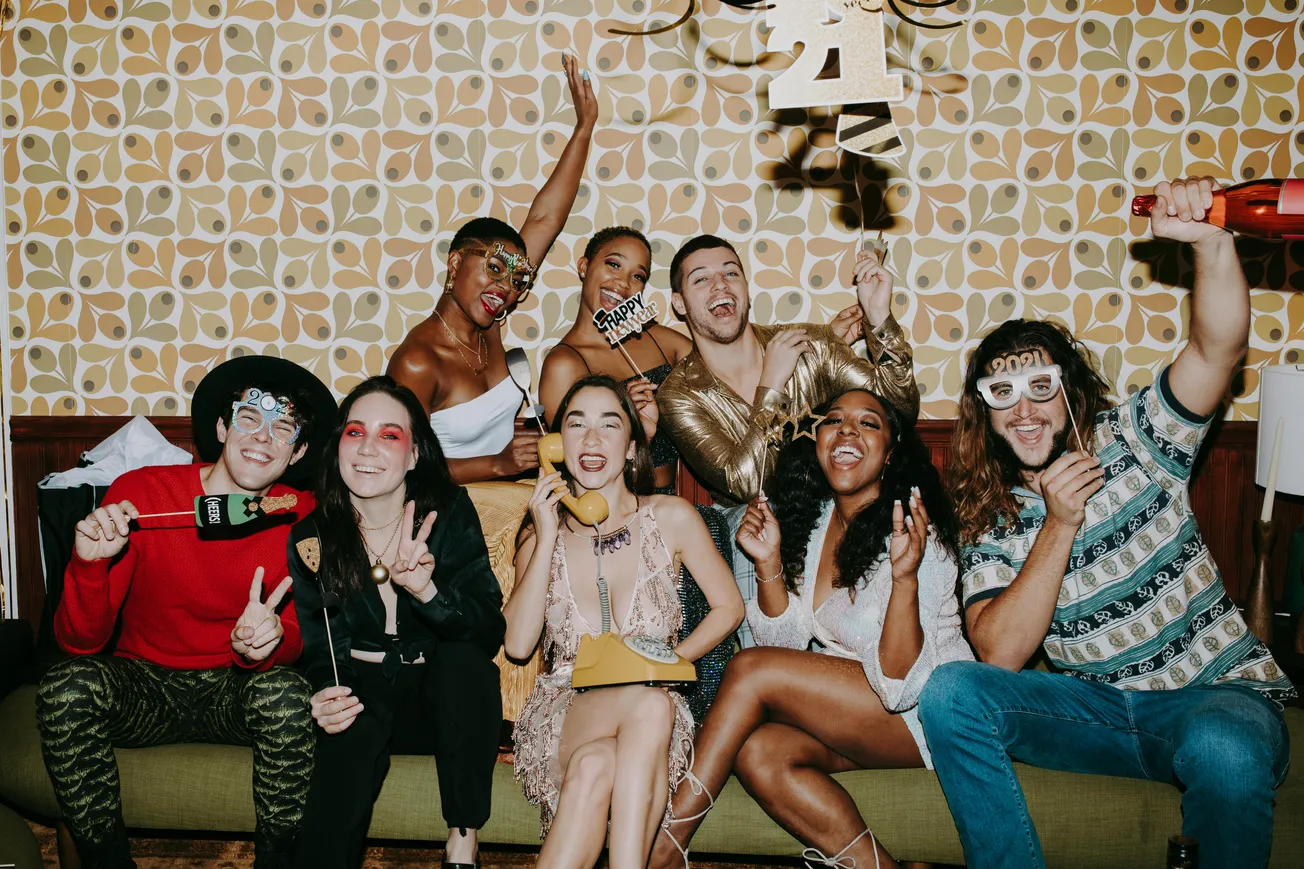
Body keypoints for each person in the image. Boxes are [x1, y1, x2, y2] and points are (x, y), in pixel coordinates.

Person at [917, 177, 1296, 869]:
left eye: (1042, 387)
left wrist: (1211, 239)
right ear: (983, 411)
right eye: (1003, 394)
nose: (1025, 410)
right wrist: (1058, 523)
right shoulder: (991, 520)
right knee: (950, 692)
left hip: (1215, 700)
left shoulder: (1137, 441)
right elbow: (998, 653)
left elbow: (1217, 351)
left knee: (1222, 745)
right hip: (1099, 717)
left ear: (1072, 394)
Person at [648, 388, 971, 869]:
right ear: (817, 442)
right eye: (834, 420)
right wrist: (769, 562)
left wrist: (904, 581)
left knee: (751, 667)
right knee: (758, 751)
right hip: (861, 712)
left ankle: (666, 844)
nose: (846, 430)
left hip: (926, 714)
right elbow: (789, 645)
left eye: (868, 423)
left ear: (889, 454)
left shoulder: (919, 538)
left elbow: (900, 686)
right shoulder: (819, 522)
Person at [36, 355, 336, 869]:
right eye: (249, 418)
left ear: (299, 451)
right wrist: (87, 568)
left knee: (286, 695)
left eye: (283, 428)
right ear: (222, 427)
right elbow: (78, 646)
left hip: (233, 690)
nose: (262, 436)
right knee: (66, 686)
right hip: (144, 684)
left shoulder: (303, 514)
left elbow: (300, 634)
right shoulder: (143, 493)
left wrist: (265, 643)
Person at [505, 375, 744, 869]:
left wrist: (671, 659)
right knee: (647, 707)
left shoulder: (671, 516)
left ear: (631, 444)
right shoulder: (540, 534)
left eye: (609, 425)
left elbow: (729, 607)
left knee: (602, 761)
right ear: (557, 444)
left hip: (652, 721)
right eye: (576, 425)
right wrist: (547, 532)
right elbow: (519, 643)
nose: (592, 441)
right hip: (567, 710)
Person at [289, 377, 505, 869]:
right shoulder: (312, 535)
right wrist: (324, 692)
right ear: (338, 443)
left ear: (413, 454)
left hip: (440, 702)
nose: (368, 448)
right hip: (362, 692)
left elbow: (488, 631)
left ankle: (463, 840)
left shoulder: (447, 512)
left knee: (463, 663)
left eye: (389, 435)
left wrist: (426, 592)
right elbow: (321, 647)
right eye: (354, 432)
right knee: (348, 719)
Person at [388, 54, 598, 484]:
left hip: (512, 502)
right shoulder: (417, 361)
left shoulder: (489, 326)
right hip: (443, 520)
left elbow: (543, 221)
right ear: (455, 263)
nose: (506, 287)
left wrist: (585, 127)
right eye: (495, 268)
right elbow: (397, 467)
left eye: (518, 279)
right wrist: (497, 464)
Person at [656, 233, 919, 507]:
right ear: (680, 303)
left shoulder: (810, 343)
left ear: (746, 291)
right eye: (701, 279)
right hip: (749, 528)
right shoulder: (677, 396)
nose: (720, 285)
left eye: (731, 273)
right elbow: (748, 488)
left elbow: (900, 409)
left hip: (832, 515)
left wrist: (878, 317)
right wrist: (771, 387)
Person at [538, 226, 693, 494]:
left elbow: (718, 370)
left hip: (675, 501)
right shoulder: (564, 363)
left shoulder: (658, 339)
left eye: (637, 276)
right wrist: (631, 424)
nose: (623, 283)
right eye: (613, 264)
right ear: (584, 266)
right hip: (612, 511)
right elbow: (574, 471)